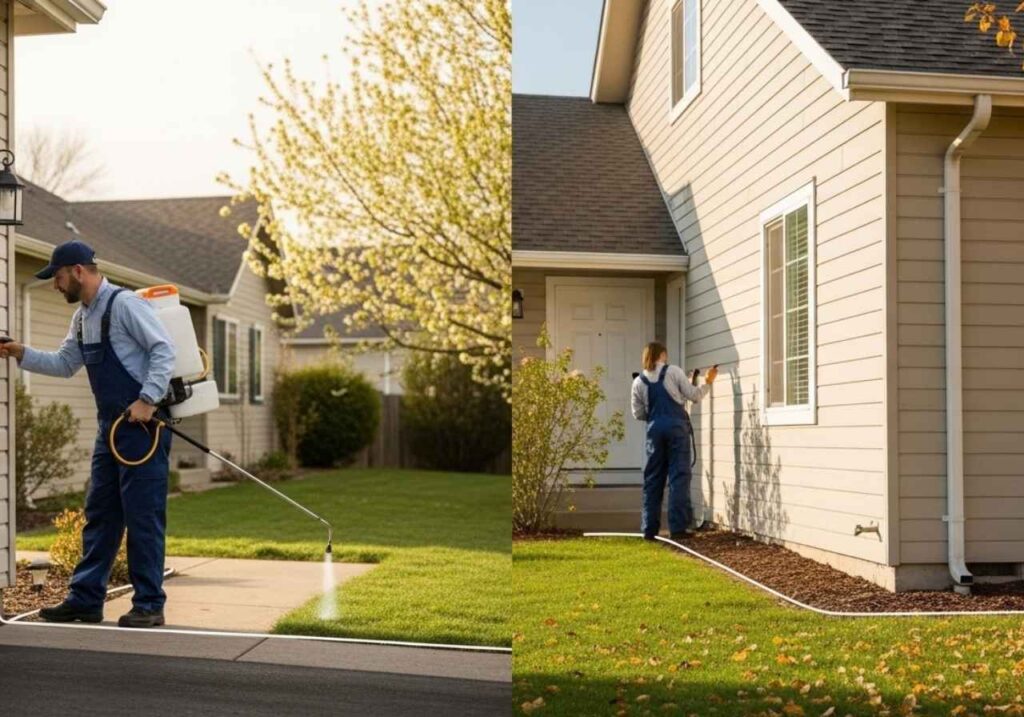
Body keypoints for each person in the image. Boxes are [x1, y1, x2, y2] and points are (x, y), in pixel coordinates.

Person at [0, 239, 176, 628]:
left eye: (58, 277)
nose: (55, 284)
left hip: (142, 429)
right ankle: (85, 600)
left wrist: (148, 399)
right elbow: (65, 364)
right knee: (100, 515)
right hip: (109, 429)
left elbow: (163, 350)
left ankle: (149, 604)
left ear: (78, 271)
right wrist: (19, 351)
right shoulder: (82, 318)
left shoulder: (125, 305)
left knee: (143, 517)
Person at [630, 341, 717, 541]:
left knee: (653, 479)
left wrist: (656, 417)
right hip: (676, 429)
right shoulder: (674, 371)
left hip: (654, 431)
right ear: (662, 355)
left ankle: (649, 530)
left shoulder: (638, 382)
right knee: (679, 476)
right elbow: (694, 396)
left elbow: (638, 413)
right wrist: (708, 381)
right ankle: (677, 529)